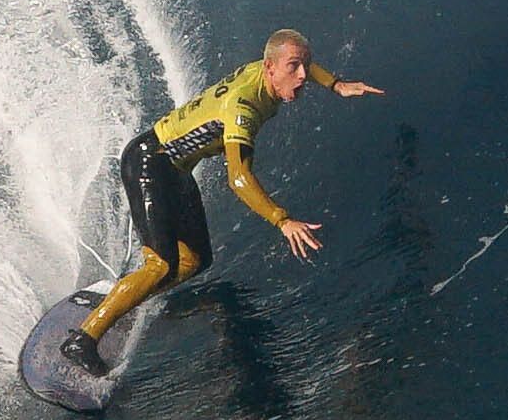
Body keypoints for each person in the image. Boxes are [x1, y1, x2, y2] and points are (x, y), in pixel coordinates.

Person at [66, 28, 382, 372]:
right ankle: (81, 341)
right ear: (271, 68)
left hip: (175, 170)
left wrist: (336, 84)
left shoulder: (266, 71)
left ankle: (124, 300)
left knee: (193, 262)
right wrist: (282, 220)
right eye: (295, 68)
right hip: (149, 162)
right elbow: (238, 178)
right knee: (160, 265)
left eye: (304, 66)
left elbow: (301, 61)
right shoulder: (243, 104)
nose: (303, 75)